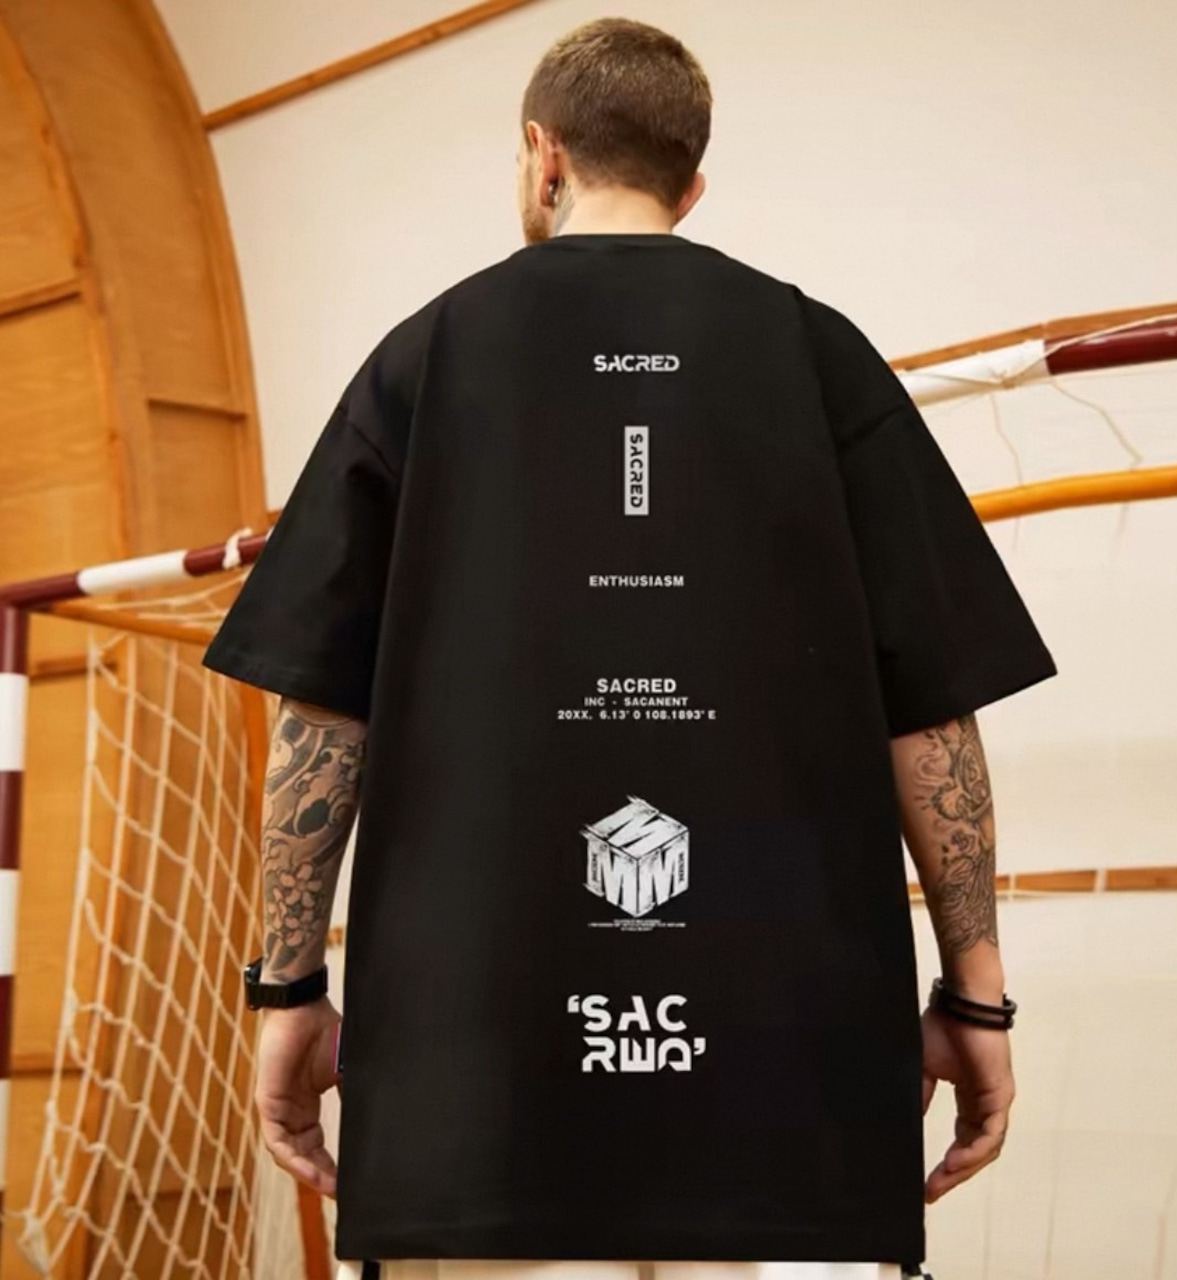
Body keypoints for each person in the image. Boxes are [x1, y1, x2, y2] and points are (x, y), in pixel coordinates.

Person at [203, 18, 1056, 1280]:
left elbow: (320, 721)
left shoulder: (423, 356)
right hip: (789, 1092)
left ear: (540, 155)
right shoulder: (819, 355)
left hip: (475, 1096)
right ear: (690, 185)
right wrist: (974, 997)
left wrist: (286, 990)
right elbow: (929, 716)